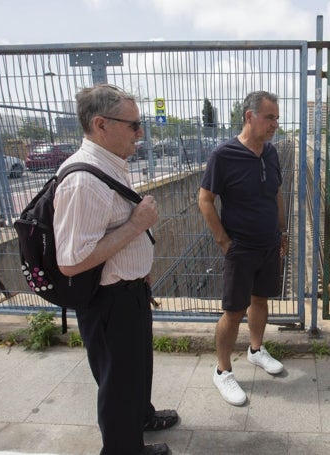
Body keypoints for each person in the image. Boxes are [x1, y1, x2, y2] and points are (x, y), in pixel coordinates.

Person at [53, 84, 178, 455]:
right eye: (134, 125)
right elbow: (72, 260)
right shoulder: (84, 180)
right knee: (118, 381)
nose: (140, 132)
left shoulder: (109, 163)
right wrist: (137, 226)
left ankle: (140, 416)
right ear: (101, 124)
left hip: (129, 290)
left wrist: (139, 267)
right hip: (109, 301)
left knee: (136, 368)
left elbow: (110, 231)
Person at [198, 91, 288, 406]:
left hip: (268, 243)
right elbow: (205, 200)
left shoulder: (271, 153)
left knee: (260, 299)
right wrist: (224, 242)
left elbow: (276, 192)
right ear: (249, 117)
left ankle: (256, 350)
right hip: (241, 247)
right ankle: (223, 371)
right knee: (234, 310)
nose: (276, 123)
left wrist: (281, 230)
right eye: (270, 117)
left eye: (277, 117)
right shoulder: (224, 155)